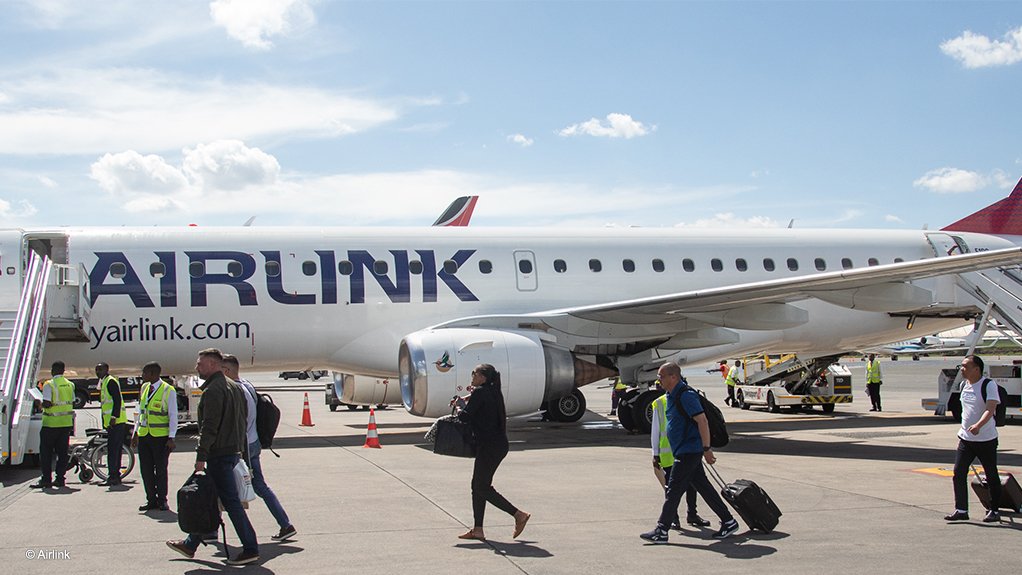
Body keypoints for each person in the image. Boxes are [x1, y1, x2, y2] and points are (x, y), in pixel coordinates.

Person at [166, 348, 259, 566]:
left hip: (219, 455)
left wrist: (201, 455)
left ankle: (250, 548)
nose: (197, 367)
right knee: (210, 499)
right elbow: (241, 423)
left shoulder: (214, 390)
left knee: (230, 503)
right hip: (231, 452)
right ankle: (191, 543)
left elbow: (210, 427)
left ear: (213, 365)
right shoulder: (234, 387)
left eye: (200, 364)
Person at [641, 362, 739, 543]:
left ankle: (661, 530)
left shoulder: (686, 395)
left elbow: (702, 421)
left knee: (673, 491)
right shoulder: (671, 395)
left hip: (689, 451)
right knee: (704, 488)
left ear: (673, 377)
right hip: (683, 450)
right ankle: (728, 520)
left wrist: (707, 449)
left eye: (661, 376)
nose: (659, 379)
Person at [222, 354, 298, 542]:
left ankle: (208, 533)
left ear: (226, 371)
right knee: (259, 486)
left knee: (229, 489)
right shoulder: (247, 384)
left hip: (244, 446)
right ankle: (285, 524)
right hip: (253, 442)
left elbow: (240, 421)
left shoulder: (236, 390)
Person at [455, 364, 530, 541]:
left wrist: (459, 406)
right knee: (477, 486)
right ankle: (478, 529)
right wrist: (468, 401)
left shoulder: (481, 392)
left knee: (481, 486)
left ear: (483, 377)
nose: (472, 376)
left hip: (490, 446)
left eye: (474, 373)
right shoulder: (493, 391)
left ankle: (518, 515)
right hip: (495, 445)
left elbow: (465, 417)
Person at [945, 354, 1001, 523]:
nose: (962, 369)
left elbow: (990, 409)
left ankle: (994, 510)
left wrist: (978, 425)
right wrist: (964, 428)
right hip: (966, 439)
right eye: (961, 366)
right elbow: (966, 411)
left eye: (965, 366)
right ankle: (961, 509)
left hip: (986, 438)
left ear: (976, 369)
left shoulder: (988, 385)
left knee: (991, 474)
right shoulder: (964, 385)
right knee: (959, 472)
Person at [650, 380, 710, 530]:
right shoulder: (662, 402)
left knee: (684, 487)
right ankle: (678, 517)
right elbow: (655, 430)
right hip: (672, 453)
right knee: (678, 488)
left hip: (683, 451)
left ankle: (685, 516)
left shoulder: (682, 398)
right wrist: (655, 453)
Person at [132, 361, 177, 511]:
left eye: (145, 373)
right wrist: (135, 432)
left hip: (161, 437)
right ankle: (151, 499)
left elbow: (173, 415)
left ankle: (162, 500)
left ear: (153, 374)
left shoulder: (167, 390)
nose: (142, 375)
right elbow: (141, 412)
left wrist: (171, 437)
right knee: (146, 470)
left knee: (161, 470)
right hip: (145, 435)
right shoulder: (144, 387)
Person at [31, 361, 76, 489]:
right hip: (66, 424)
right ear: (63, 370)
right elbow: (71, 401)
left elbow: (47, 403)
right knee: (62, 453)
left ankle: (46, 480)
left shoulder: (49, 384)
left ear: (53, 370)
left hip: (50, 424)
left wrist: (38, 403)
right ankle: (60, 479)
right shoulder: (70, 384)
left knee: (46, 453)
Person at [96, 362, 127, 486]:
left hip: (116, 422)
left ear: (107, 370)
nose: (98, 372)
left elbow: (117, 400)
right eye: (97, 370)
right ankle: (115, 476)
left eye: (100, 369)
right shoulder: (104, 382)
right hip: (112, 422)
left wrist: (114, 416)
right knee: (114, 449)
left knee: (113, 450)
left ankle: (113, 476)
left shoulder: (110, 381)